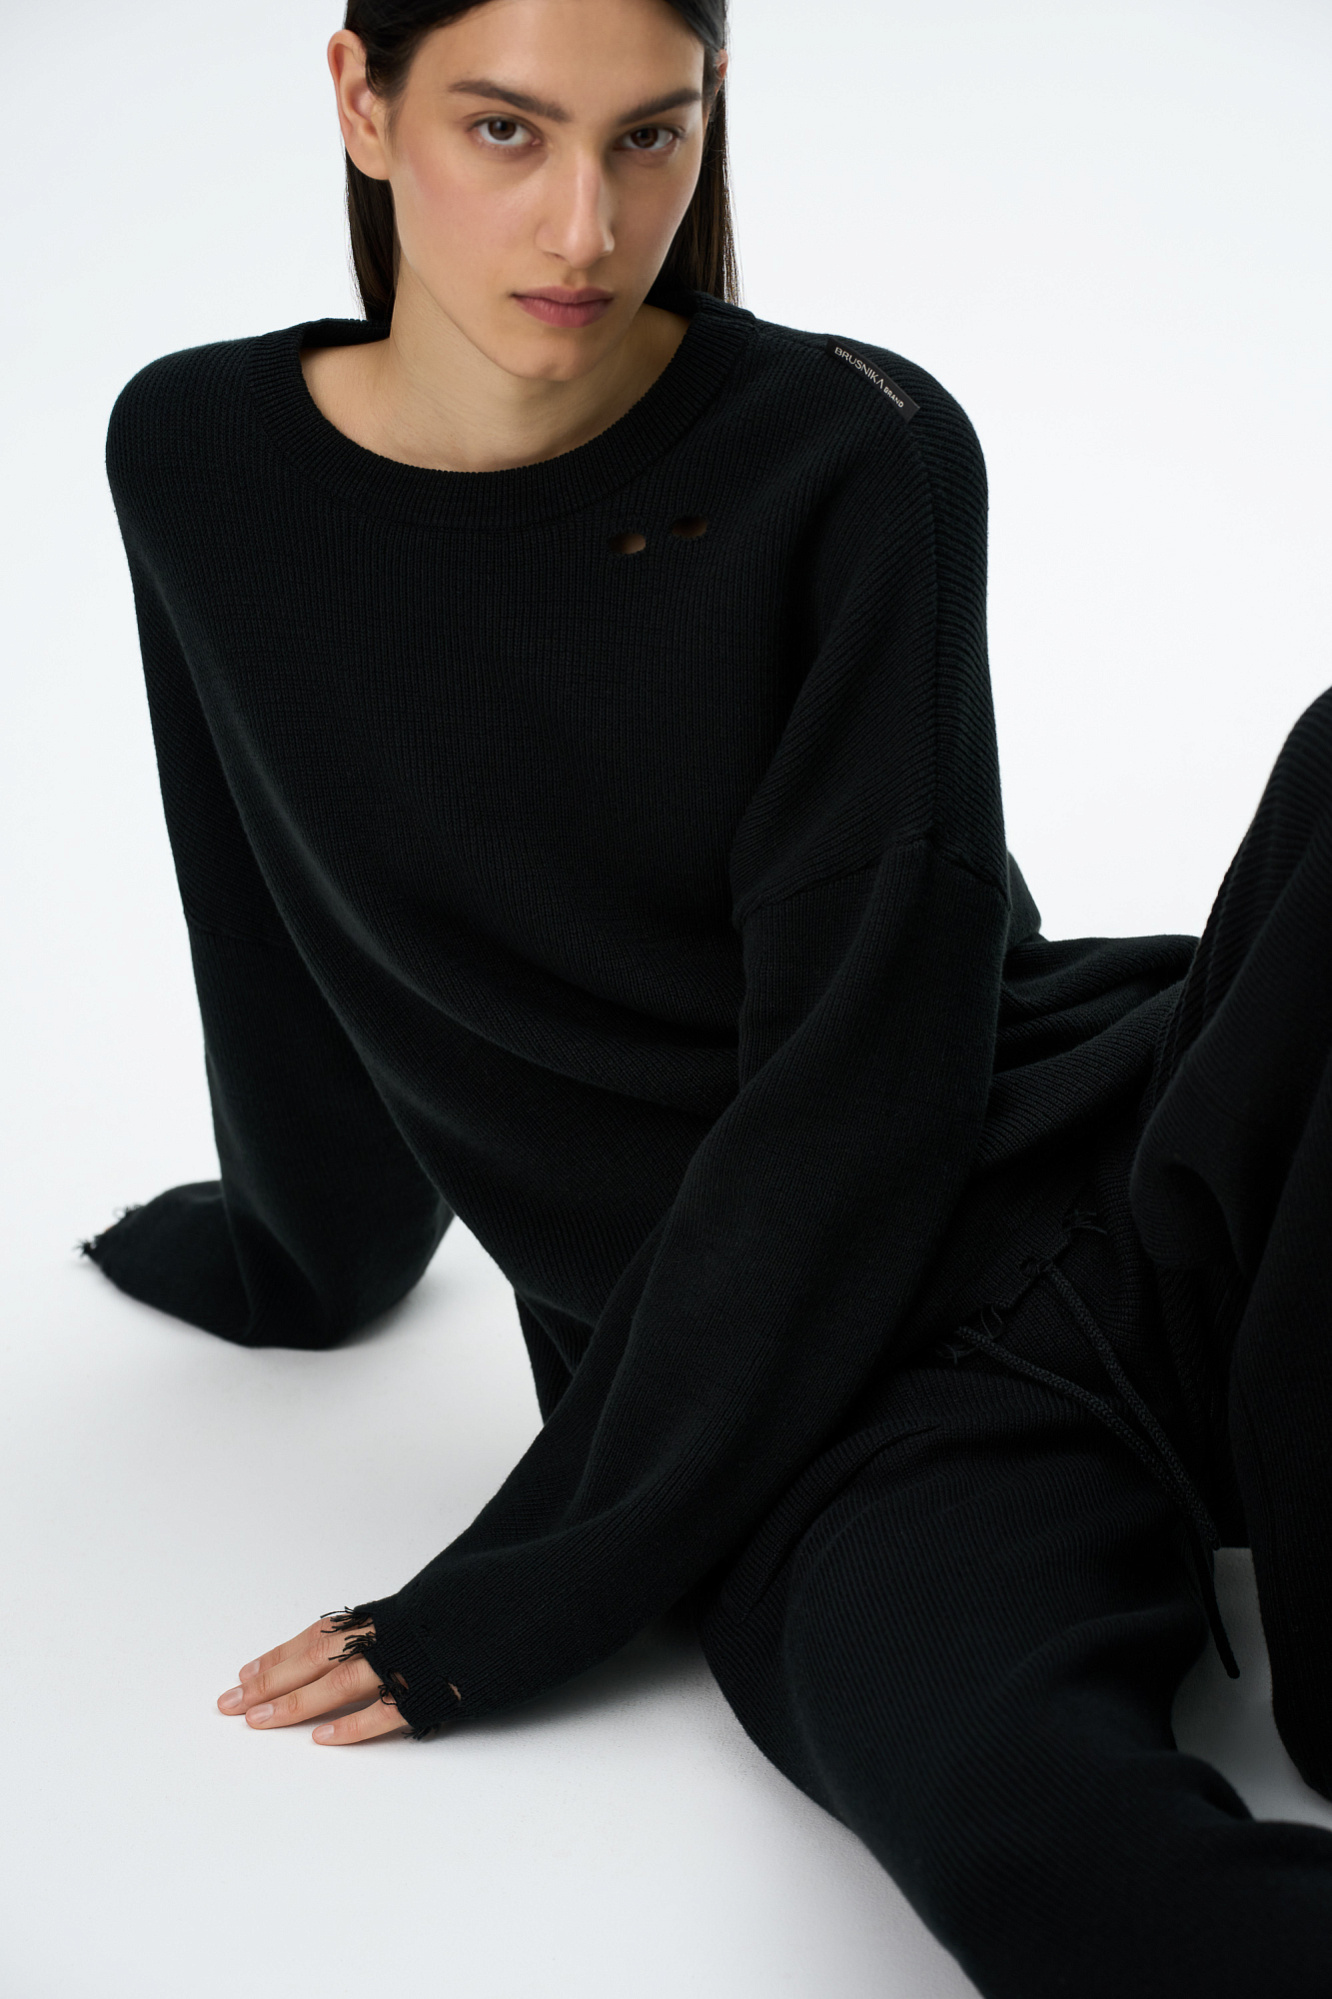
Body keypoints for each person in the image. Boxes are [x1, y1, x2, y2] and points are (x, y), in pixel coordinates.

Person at [85, 0, 1332, 1991]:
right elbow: (264, 895)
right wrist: (298, 1259)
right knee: (1047, 1854)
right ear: (362, 100)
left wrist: (533, 1574)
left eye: (649, 135)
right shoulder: (201, 457)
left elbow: (872, 1063)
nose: (586, 224)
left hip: (1144, 1146)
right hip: (810, 1405)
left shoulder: (853, 446)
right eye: (507, 130)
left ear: (711, 111)